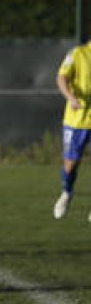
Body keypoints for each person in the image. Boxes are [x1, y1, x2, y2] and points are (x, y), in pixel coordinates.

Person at [52, 39, 91, 219]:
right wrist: (71, 97)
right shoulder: (78, 53)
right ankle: (67, 192)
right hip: (76, 121)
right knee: (70, 166)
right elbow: (61, 77)